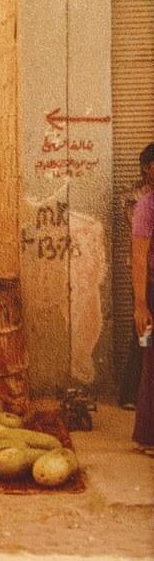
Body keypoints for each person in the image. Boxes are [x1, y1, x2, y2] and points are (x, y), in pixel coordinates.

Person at [120, 142, 154, 408]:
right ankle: (130, 394)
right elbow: (139, 241)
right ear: (147, 169)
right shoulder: (136, 197)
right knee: (143, 336)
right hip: (143, 275)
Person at [131, 185, 154, 454]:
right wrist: (140, 305)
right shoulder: (146, 207)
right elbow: (138, 257)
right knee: (151, 358)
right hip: (150, 294)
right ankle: (148, 436)